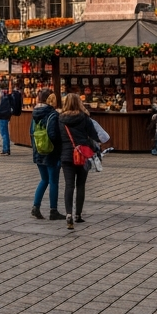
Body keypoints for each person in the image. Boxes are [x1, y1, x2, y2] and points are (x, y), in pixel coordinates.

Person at [58, 92, 98, 230]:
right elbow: (94, 135)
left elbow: (56, 136)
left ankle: (68, 213)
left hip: (66, 155)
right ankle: (78, 214)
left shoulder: (60, 118)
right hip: (82, 154)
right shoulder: (84, 117)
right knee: (81, 185)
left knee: (69, 185)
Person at [30, 90, 63, 220]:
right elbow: (53, 135)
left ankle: (35, 206)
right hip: (51, 153)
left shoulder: (34, 113)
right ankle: (53, 210)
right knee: (53, 181)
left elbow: (31, 132)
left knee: (44, 180)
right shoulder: (52, 114)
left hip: (38, 151)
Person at [0, 84, 13, 156]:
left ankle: (5, 150)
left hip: (2, 116)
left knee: (4, 133)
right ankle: (6, 149)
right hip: (6, 116)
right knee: (5, 133)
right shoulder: (9, 97)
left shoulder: (2, 96)